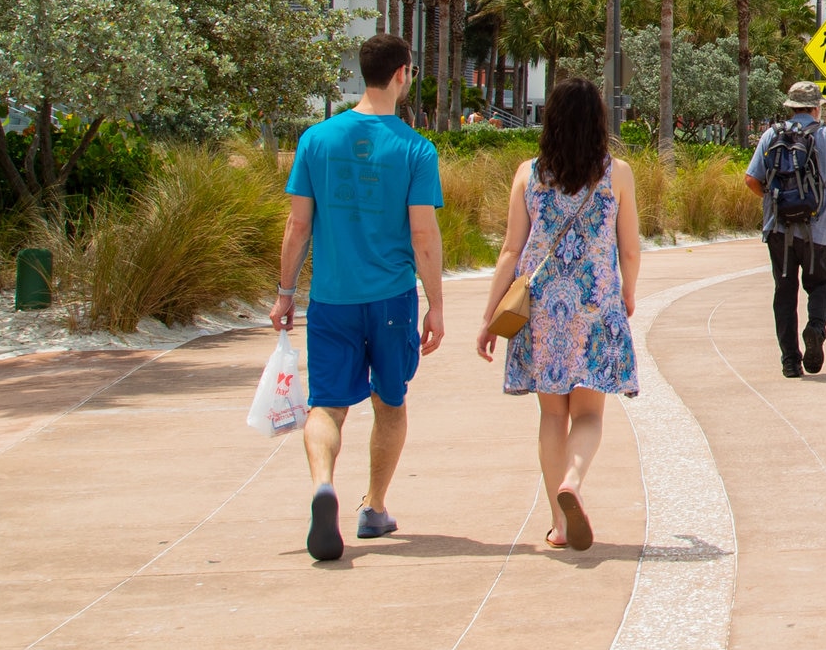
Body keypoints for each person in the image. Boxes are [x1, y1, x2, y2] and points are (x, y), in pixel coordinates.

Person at [272, 33, 446, 564]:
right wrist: (435, 303)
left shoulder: (316, 140)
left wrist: (284, 294)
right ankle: (374, 507)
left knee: (327, 405)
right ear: (402, 74)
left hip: (331, 297)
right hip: (391, 299)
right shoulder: (416, 149)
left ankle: (324, 486)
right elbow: (423, 236)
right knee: (389, 404)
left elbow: (298, 226)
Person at [475, 77, 639, 552]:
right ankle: (573, 480)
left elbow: (511, 251)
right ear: (599, 123)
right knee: (588, 415)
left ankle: (559, 523)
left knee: (552, 416)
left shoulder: (528, 174)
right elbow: (629, 249)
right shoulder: (617, 174)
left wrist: (490, 317)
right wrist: (626, 295)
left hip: (545, 310)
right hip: (595, 304)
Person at [743, 83, 826, 378]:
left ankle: (790, 361)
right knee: (820, 284)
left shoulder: (771, 135)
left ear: (790, 107)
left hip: (779, 230)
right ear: (816, 108)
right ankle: (815, 329)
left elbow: (750, 180)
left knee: (784, 291)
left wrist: (774, 200)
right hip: (818, 229)